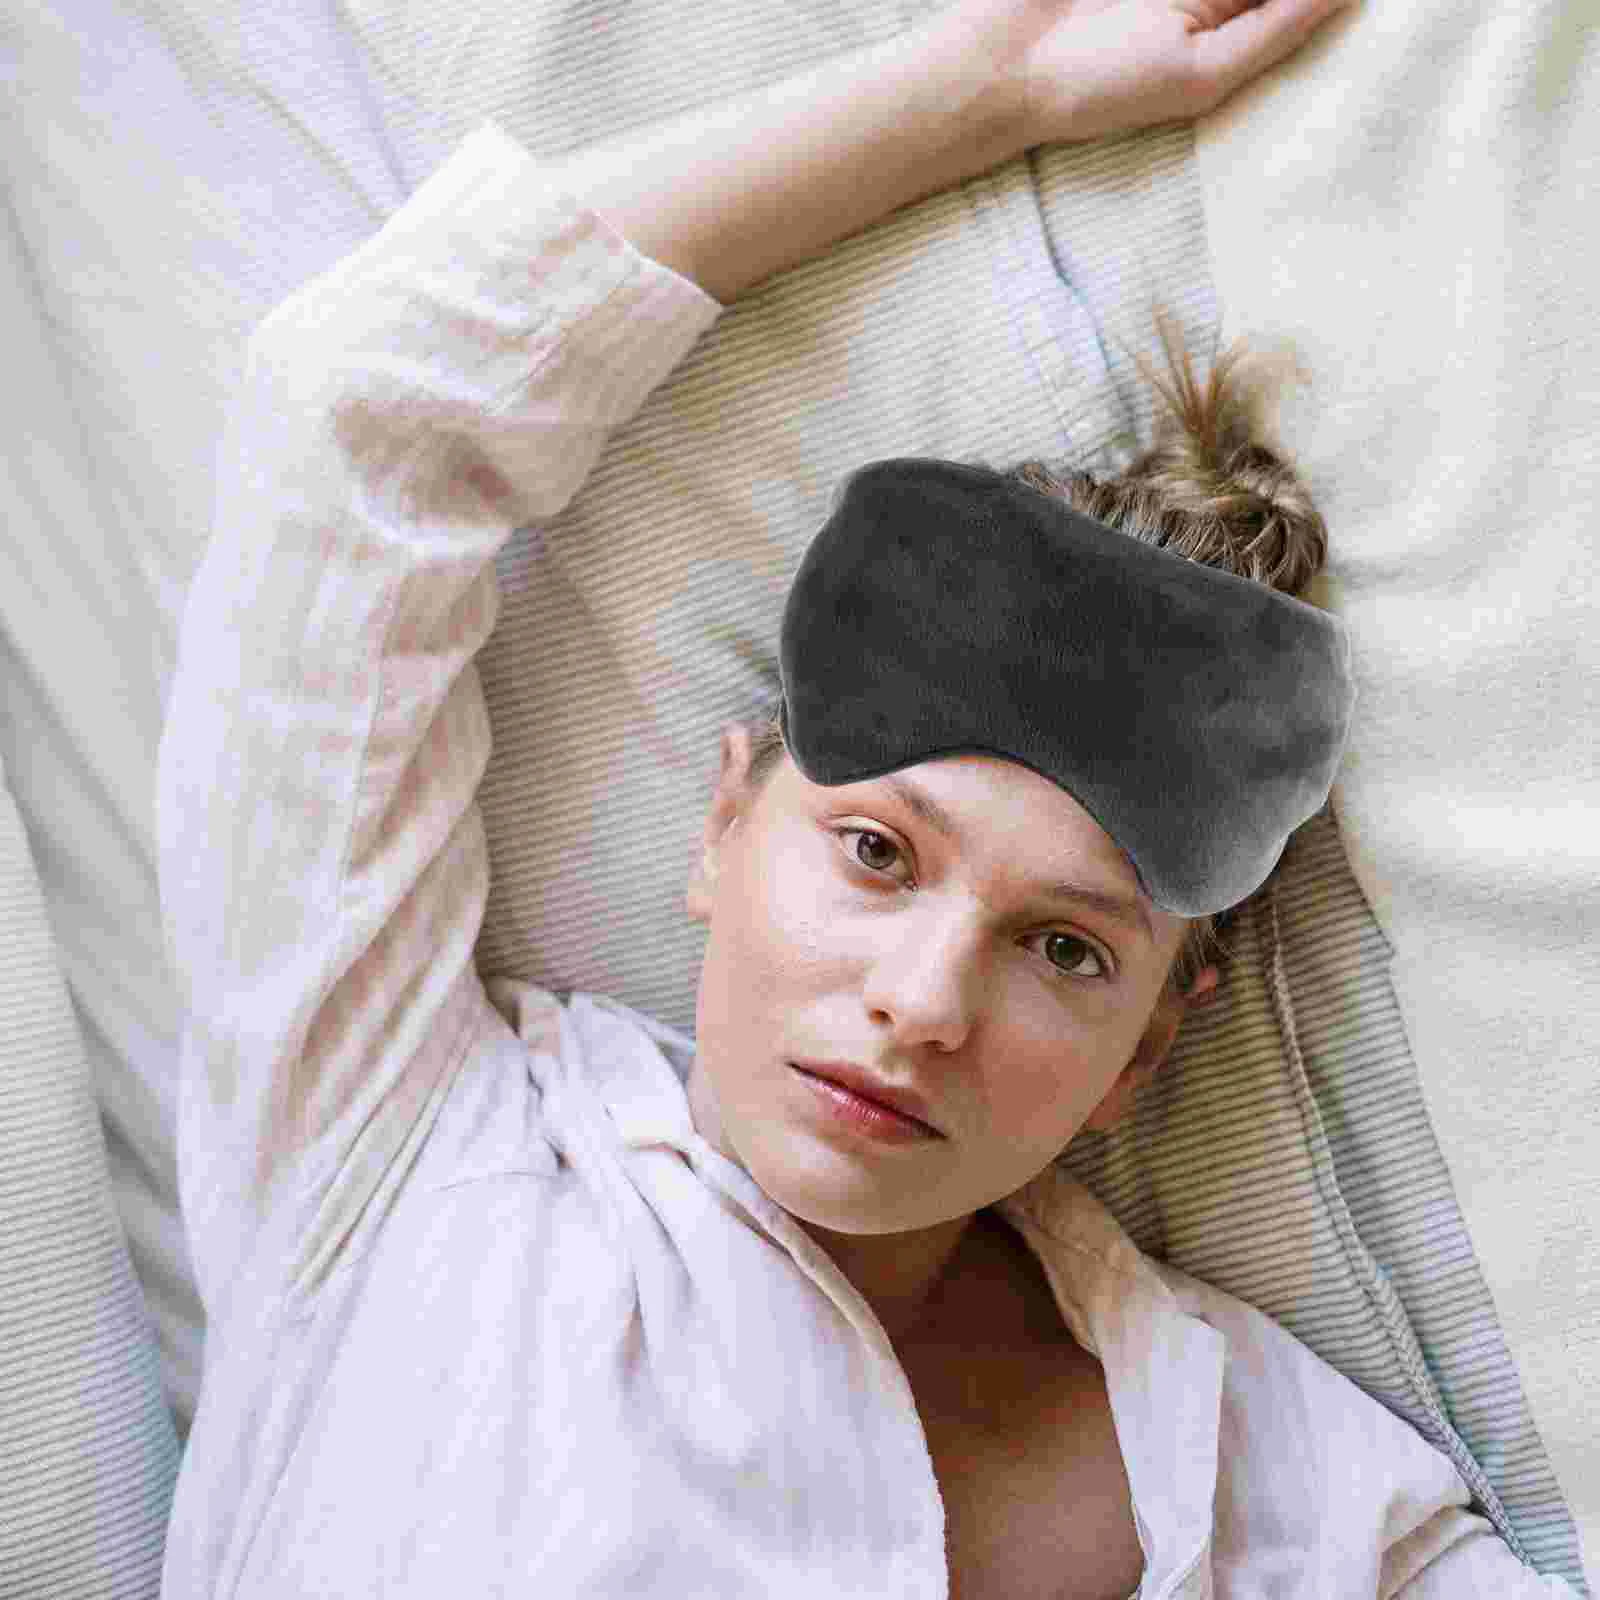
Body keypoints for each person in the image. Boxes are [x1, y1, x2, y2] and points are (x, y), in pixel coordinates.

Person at [155, 0, 1577, 1594]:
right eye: (879, 854)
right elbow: (362, 424)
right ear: (725, 824)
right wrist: (1000, 82)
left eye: (1066, 950)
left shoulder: (1278, 1476)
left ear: (1142, 1052)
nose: (923, 1005)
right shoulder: (407, 1148)